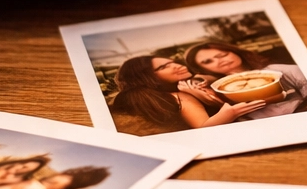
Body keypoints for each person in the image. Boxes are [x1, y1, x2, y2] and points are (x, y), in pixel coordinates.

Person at [110, 56, 267, 133]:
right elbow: (202, 127)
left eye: (172, 62)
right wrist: (229, 112)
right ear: (145, 76)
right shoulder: (178, 96)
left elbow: (207, 78)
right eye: (164, 67)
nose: (176, 65)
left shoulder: (182, 89)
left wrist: (202, 81)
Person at [183, 40, 307, 119]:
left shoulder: (277, 70)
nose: (219, 61)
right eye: (208, 61)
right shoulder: (215, 91)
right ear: (201, 69)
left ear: (235, 52)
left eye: (222, 54)